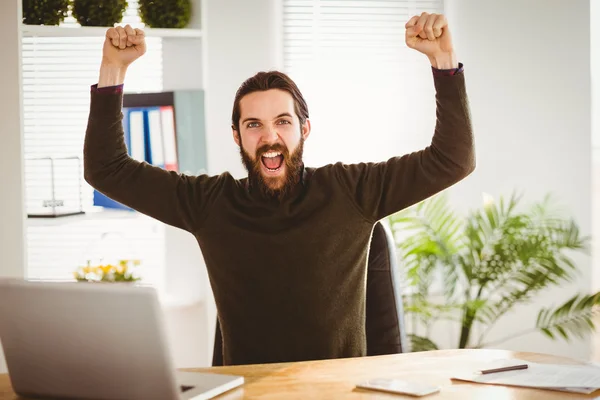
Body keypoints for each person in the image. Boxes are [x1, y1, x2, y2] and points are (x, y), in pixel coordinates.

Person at [84, 12, 475, 366]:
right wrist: (113, 68)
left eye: (283, 121)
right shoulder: (209, 203)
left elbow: (452, 160)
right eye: (253, 125)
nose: (270, 137)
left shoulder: (352, 191)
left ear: (304, 130)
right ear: (237, 136)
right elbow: (106, 169)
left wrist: (442, 61)